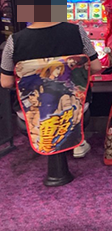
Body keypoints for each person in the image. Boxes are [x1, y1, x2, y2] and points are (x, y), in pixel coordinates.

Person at [1, 19, 102, 157]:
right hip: (75, 110)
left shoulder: (13, 41)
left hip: (31, 114)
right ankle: (75, 141)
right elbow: (96, 67)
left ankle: (57, 144)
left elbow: (6, 83)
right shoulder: (78, 32)